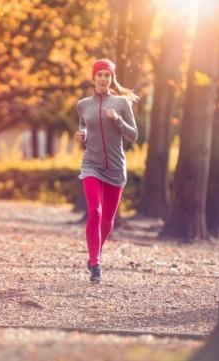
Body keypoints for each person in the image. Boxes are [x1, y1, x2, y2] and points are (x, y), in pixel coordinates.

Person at [74, 58, 139, 282]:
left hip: (115, 168)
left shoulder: (122, 103)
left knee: (108, 220)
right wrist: (82, 135)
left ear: (111, 79)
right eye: (99, 75)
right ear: (93, 78)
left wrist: (118, 120)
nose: (103, 79)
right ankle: (95, 264)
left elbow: (133, 135)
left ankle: (95, 254)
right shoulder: (83, 104)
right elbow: (84, 126)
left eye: (107, 75)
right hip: (91, 164)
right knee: (95, 212)